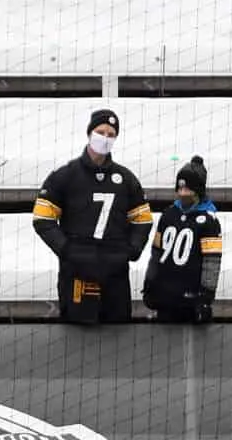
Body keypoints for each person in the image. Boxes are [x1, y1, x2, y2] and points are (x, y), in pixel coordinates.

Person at [31, 108, 152, 325]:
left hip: (115, 273)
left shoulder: (125, 179)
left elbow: (143, 219)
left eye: (111, 134)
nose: (105, 138)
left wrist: (132, 249)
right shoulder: (65, 175)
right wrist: (66, 249)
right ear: (89, 133)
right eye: (100, 131)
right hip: (78, 271)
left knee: (117, 333)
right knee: (78, 333)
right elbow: (42, 218)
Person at [143, 157, 224, 324]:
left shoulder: (209, 221)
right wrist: (149, 283)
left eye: (187, 188)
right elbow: (156, 253)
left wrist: (206, 295)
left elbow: (212, 262)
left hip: (190, 299)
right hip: (165, 296)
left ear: (198, 190)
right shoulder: (168, 215)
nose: (182, 193)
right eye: (179, 188)